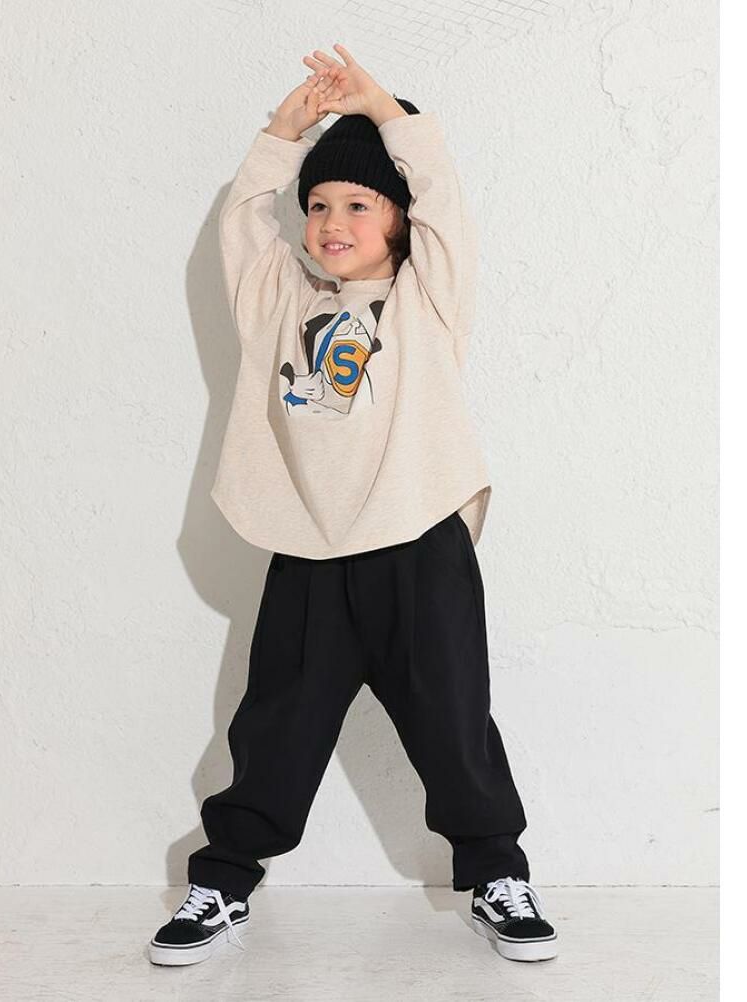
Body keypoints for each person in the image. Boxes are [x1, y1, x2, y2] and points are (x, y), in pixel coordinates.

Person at [148, 43, 558, 968]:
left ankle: (497, 874)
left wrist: (385, 115)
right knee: (275, 727)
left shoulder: (427, 302)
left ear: (401, 221)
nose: (333, 221)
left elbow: (445, 200)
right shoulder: (277, 301)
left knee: (455, 723)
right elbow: (243, 223)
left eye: (359, 204)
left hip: (418, 546)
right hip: (309, 554)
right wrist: (281, 133)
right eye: (320, 204)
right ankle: (223, 880)